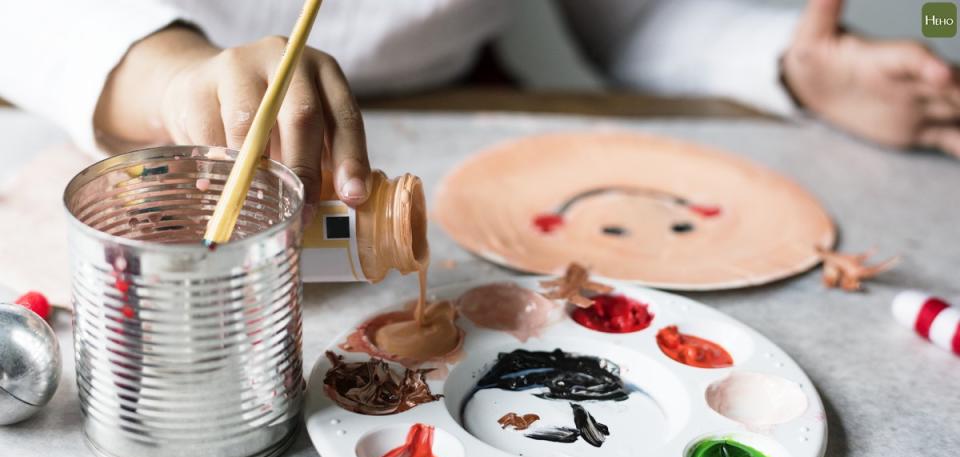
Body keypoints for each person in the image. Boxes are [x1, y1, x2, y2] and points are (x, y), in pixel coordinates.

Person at [1, 0, 957, 209]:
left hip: (452, 105)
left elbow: (629, 20)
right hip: (115, 89)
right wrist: (170, 71)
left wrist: (782, 68)